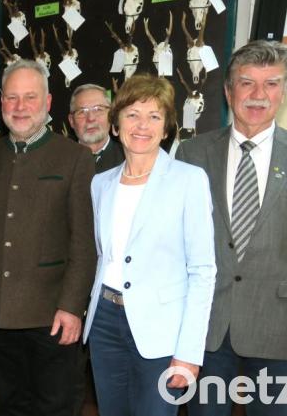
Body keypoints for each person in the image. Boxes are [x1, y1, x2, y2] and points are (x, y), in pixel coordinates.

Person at [177, 40, 287, 416]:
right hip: (207, 330)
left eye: (271, 83)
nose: (258, 95)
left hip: (282, 334)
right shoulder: (192, 154)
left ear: (284, 92)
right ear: (227, 90)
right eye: (247, 82)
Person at [0, 59, 96, 416]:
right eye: (12, 98)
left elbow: (84, 242)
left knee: (56, 406)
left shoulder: (75, 158)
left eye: (30, 97)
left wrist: (72, 306)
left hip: (52, 315)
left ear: (47, 103)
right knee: (11, 405)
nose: (20, 107)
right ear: (1, 102)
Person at [81, 73, 217, 416]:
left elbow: (203, 271)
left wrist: (189, 352)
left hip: (163, 330)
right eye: (132, 115)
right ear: (116, 126)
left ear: (167, 128)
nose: (142, 125)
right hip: (105, 324)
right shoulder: (101, 184)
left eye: (154, 116)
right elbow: (103, 257)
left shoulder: (189, 180)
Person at [68, 83, 125, 174]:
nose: (91, 118)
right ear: (71, 121)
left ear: (110, 115)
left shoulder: (129, 158)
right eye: (82, 111)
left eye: (98, 109)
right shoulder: (57, 161)